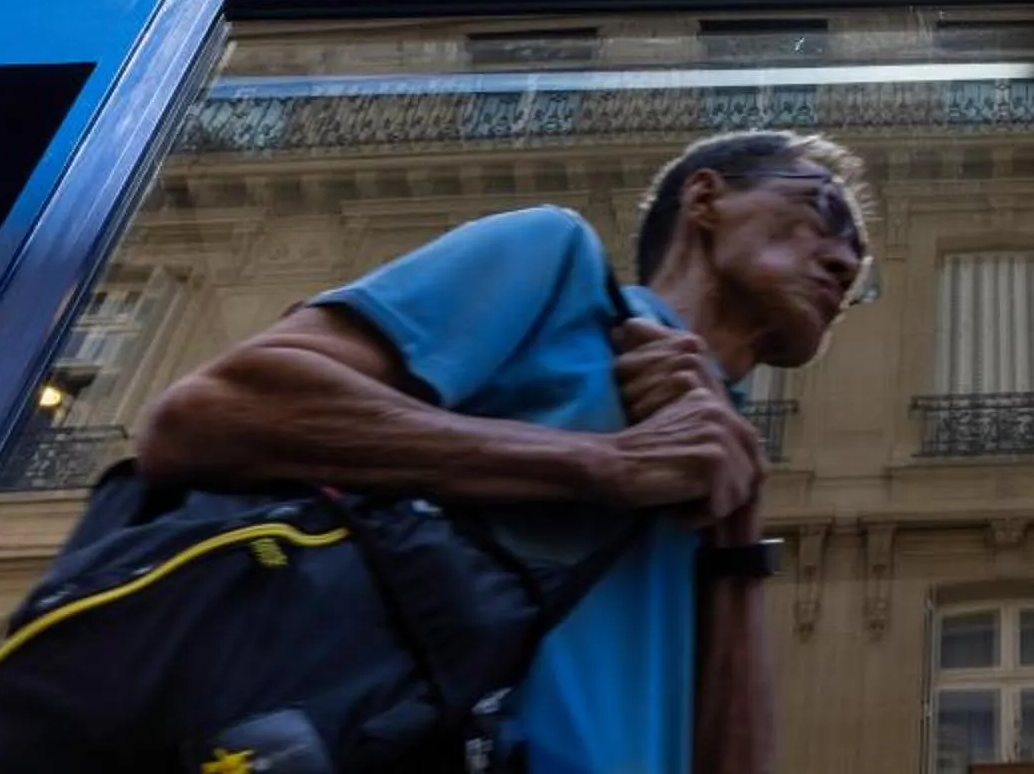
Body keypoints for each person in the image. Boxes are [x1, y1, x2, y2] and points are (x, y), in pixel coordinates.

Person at [136, 130, 871, 774]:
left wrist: (738, 527)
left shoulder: (722, 466)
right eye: (826, 213)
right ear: (705, 199)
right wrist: (603, 464)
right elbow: (211, 414)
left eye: (861, 264)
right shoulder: (557, 269)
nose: (845, 262)